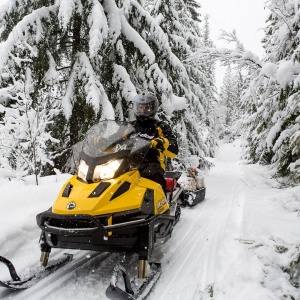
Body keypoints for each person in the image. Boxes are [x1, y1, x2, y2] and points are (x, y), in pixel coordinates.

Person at [131, 91, 178, 193]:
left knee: (151, 174)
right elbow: (116, 139)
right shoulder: (130, 127)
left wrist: (162, 142)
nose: (143, 110)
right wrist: (104, 141)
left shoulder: (160, 126)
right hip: (129, 164)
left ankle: (161, 205)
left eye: (147, 108)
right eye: (141, 107)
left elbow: (174, 149)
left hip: (152, 163)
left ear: (153, 109)